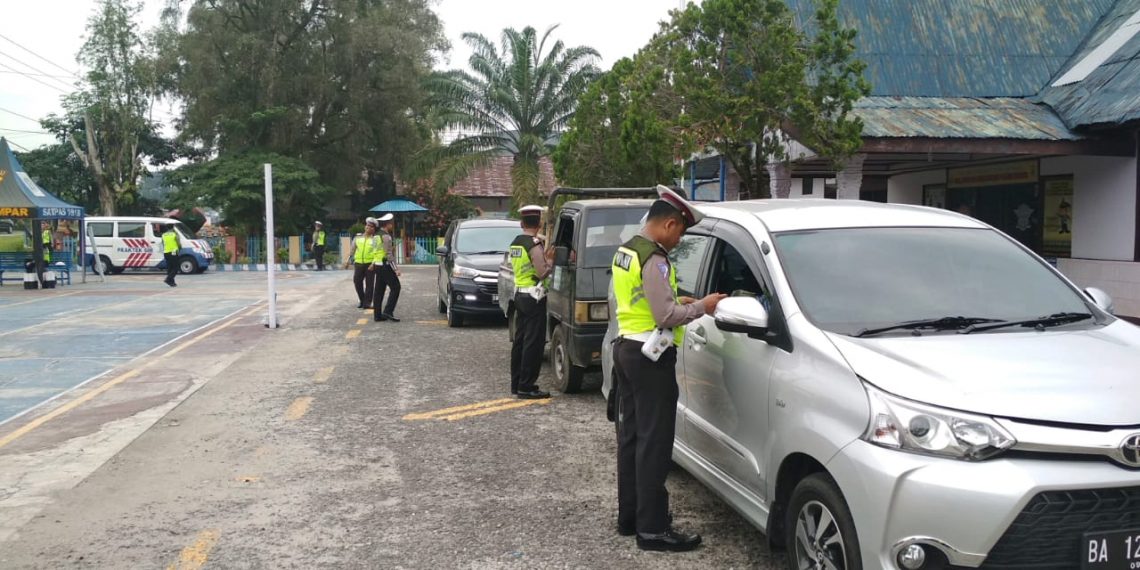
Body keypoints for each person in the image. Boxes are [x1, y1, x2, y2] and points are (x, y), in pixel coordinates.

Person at [611, 185, 725, 552]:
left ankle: (629, 518)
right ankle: (654, 530)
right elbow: (665, 315)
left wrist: (680, 300)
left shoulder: (627, 249)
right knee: (655, 444)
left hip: (627, 347)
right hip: (651, 359)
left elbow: (641, 300)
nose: (679, 240)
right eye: (680, 232)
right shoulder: (656, 258)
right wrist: (702, 307)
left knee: (631, 439)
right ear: (670, 224)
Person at [509, 205, 553, 399]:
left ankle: (516, 382)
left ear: (521, 223)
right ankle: (527, 386)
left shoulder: (516, 243)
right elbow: (542, 272)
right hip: (534, 297)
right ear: (539, 223)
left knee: (520, 341)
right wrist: (550, 261)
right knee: (533, 343)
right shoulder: (534, 244)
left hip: (519, 295)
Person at [373, 213, 402, 322]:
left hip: (377, 265)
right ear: (388, 224)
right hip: (385, 265)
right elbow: (388, 254)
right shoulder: (386, 236)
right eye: (391, 223)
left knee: (379, 290)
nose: (393, 225)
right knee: (396, 287)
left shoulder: (376, 235)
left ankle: (377, 315)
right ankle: (388, 311)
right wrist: (396, 269)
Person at [345, 218, 380, 308]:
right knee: (357, 281)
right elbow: (352, 250)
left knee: (369, 284)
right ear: (365, 226)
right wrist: (347, 261)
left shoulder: (375, 239)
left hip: (370, 264)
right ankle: (362, 300)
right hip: (358, 263)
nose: (368, 227)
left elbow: (377, 253)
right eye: (367, 225)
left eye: (371, 226)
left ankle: (367, 303)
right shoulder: (357, 237)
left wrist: (373, 263)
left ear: (374, 229)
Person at [161, 223, 182, 287]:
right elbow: (178, 244)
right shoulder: (174, 234)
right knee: (176, 267)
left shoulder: (163, 235)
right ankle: (168, 279)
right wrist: (179, 249)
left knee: (170, 268)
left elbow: (163, 243)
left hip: (166, 252)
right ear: (173, 228)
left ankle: (172, 283)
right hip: (173, 252)